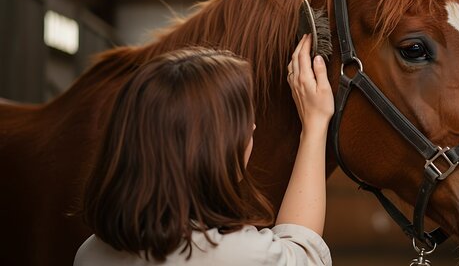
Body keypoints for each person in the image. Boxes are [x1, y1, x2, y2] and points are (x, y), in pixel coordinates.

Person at [74, 34, 334, 265]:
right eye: (241, 121)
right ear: (207, 147)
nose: (252, 127)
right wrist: (315, 125)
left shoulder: (90, 252)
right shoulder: (233, 254)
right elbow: (303, 253)